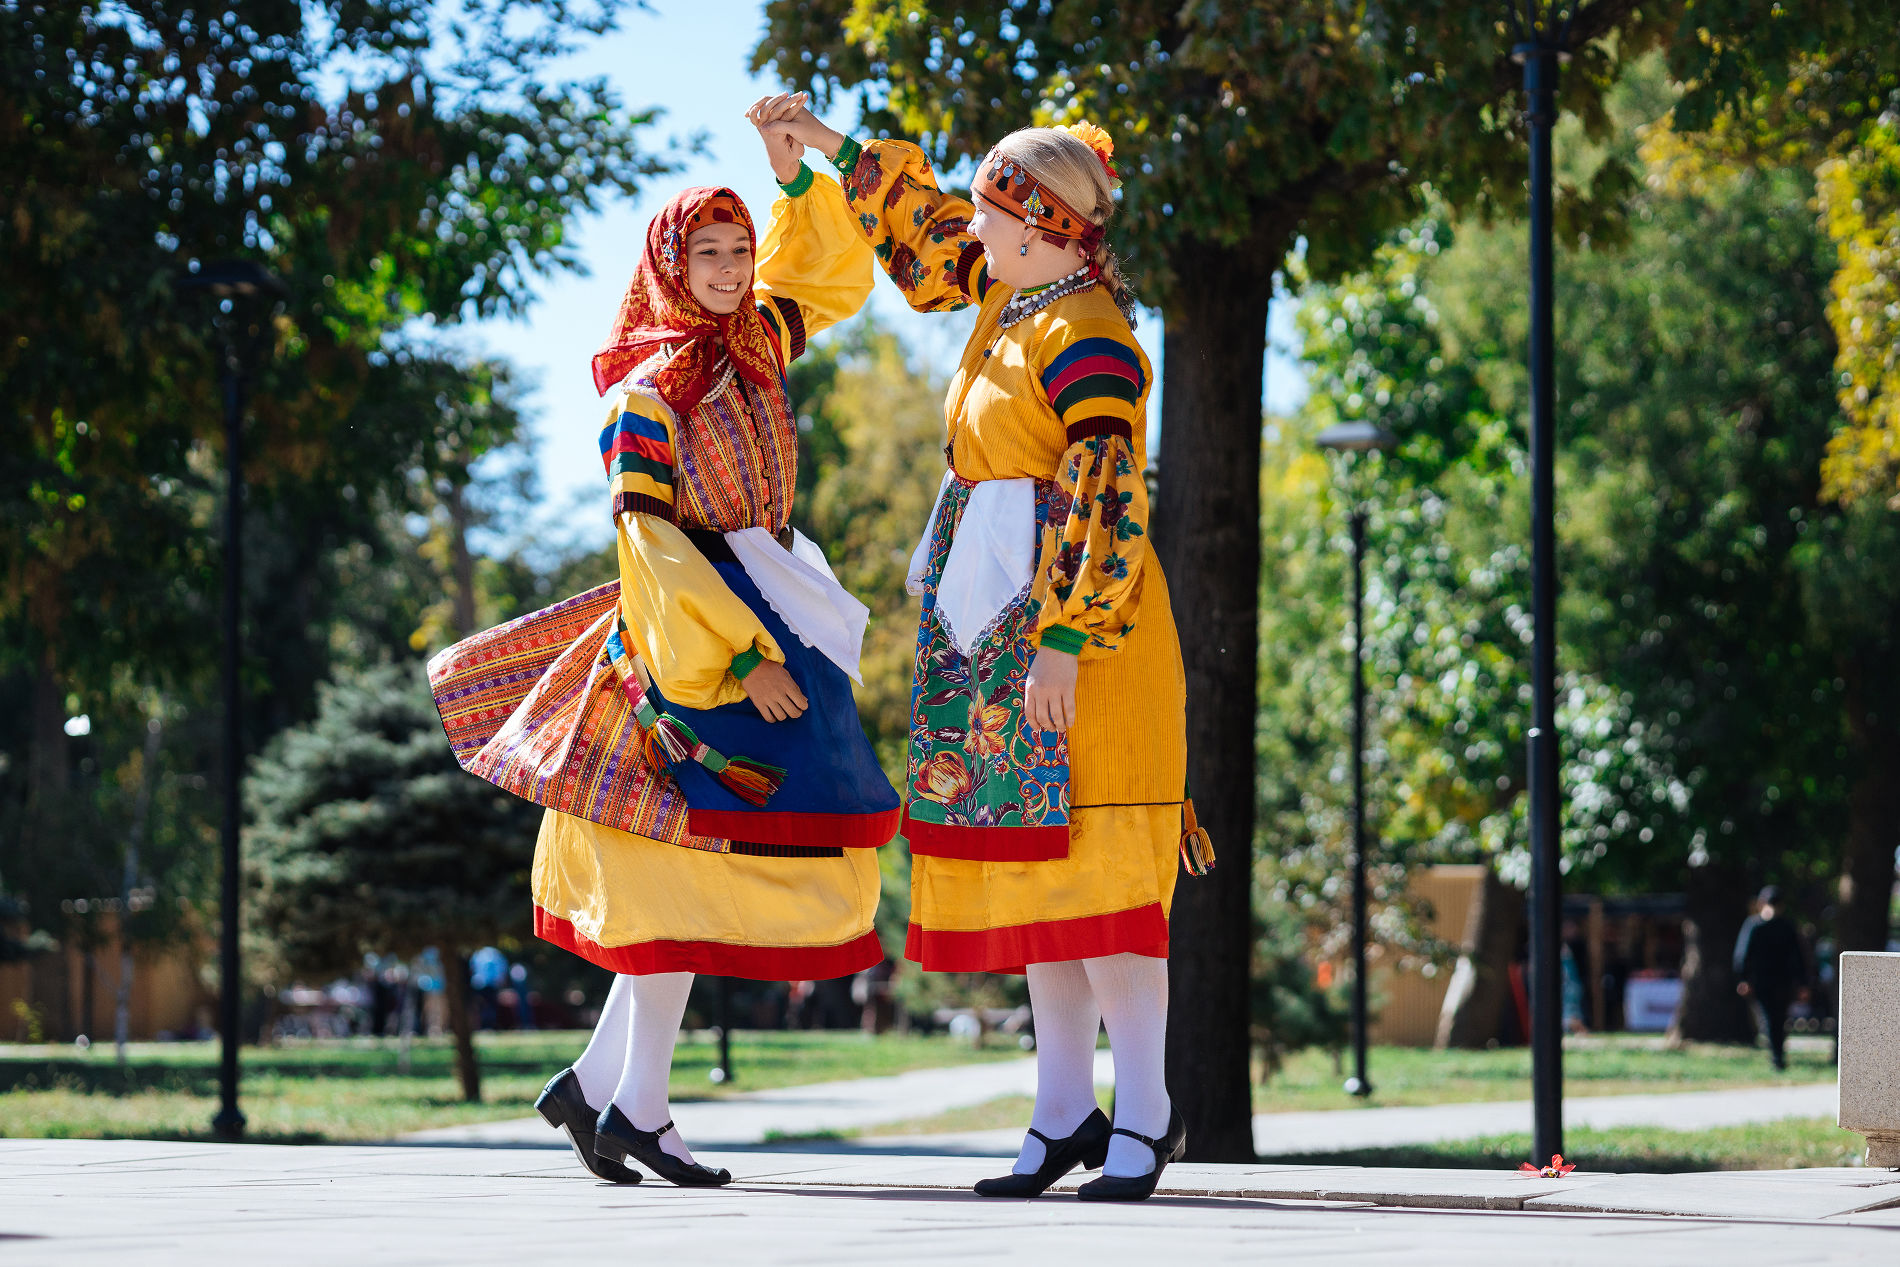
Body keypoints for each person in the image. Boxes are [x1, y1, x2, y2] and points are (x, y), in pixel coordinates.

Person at [750, 93, 1211, 1203]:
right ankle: (1062, 1111)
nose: (974, 223)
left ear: (1043, 223)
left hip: (1077, 634)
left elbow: (1109, 491)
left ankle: (1145, 1107)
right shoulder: (1010, 295)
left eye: (995, 206)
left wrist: (1063, 639)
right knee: (1036, 872)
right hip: (990, 616)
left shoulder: (1088, 334)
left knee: (1100, 873)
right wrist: (822, 149)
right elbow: (921, 234)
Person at [428, 114, 894, 1187]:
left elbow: (825, 276)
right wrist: (738, 661)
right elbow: (648, 539)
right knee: (680, 880)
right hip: (684, 649)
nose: (732, 272)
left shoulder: (758, 340)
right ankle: (626, 1100)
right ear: (668, 266)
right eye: (709, 254)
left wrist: (791, 181)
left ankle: (606, 1090)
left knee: (703, 879)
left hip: (774, 613)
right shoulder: (644, 397)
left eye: (740, 251)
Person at [1733, 886, 1809, 1071]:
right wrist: (1802, 983)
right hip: (1781, 982)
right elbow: (1798, 957)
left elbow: (1742, 955)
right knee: (1778, 1019)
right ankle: (1778, 1057)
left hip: (1765, 981)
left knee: (1770, 1019)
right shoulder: (1786, 926)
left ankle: (1777, 1057)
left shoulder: (1754, 925)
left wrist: (1743, 978)